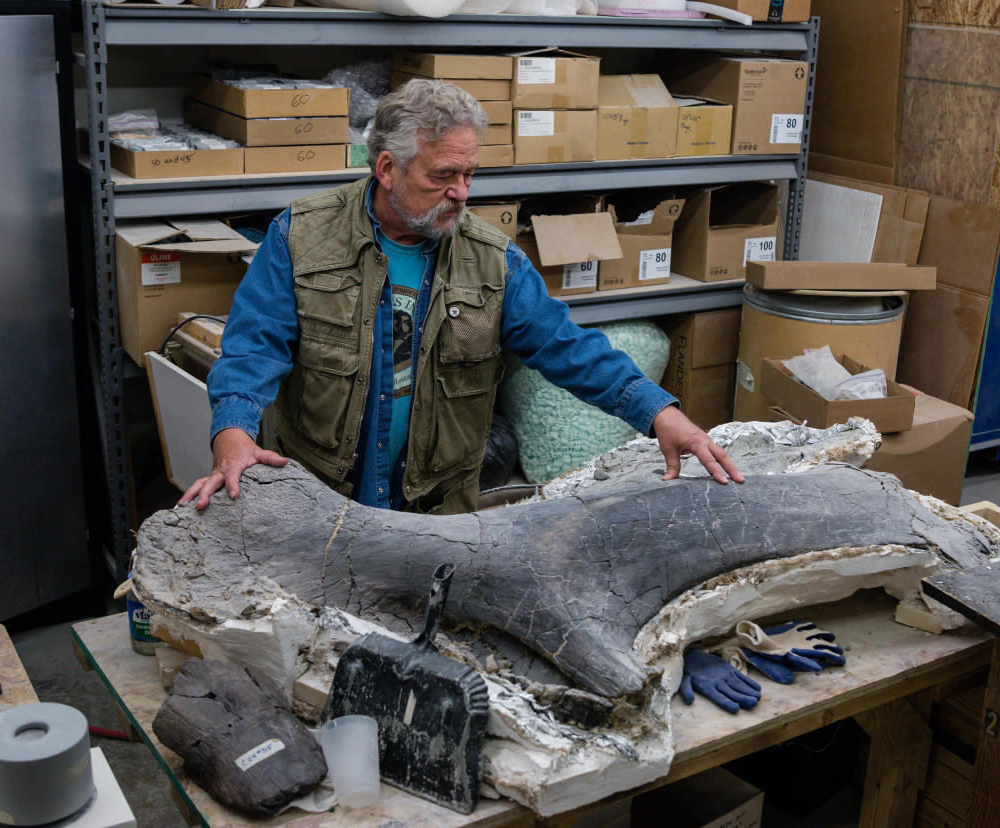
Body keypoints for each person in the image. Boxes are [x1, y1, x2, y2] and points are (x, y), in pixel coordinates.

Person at [181, 79, 743, 515]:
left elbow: (569, 348)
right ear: (386, 168)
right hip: (319, 496)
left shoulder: (494, 262)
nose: (461, 193)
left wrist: (661, 414)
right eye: (444, 175)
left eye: (471, 174)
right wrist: (233, 436)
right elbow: (254, 350)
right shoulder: (299, 237)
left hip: (438, 510)